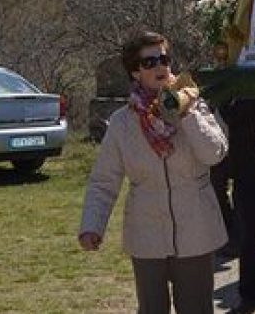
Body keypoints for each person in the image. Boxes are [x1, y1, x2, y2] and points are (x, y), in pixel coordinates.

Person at [79, 31, 228, 314]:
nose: (160, 66)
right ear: (135, 72)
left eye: (164, 59)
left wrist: (186, 113)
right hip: (146, 235)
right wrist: (92, 226)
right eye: (149, 62)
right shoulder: (122, 122)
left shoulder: (196, 105)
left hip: (196, 231)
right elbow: (104, 180)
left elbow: (215, 154)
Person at [220, 95, 255, 314]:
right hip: (246, 164)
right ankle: (249, 296)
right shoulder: (236, 89)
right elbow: (224, 110)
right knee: (249, 234)